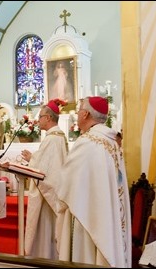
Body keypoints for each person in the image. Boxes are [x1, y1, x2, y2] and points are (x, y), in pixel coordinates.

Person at [56, 96, 131, 267]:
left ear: (86, 114)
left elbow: (66, 182)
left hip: (86, 215)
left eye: (79, 110)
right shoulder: (112, 141)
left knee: (86, 255)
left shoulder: (88, 141)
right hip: (106, 214)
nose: (77, 114)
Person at [21, 99, 68, 259]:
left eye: (40, 116)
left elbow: (44, 170)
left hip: (46, 199)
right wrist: (33, 158)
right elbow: (49, 166)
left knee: (45, 232)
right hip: (52, 193)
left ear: (48, 118)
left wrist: (32, 160)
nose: (38, 120)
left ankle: (43, 259)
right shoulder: (57, 137)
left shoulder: (52, 139)